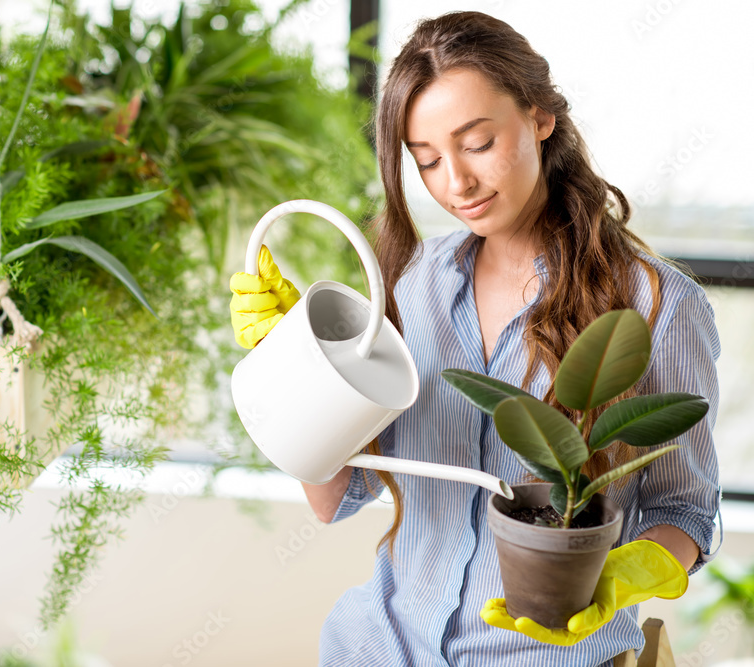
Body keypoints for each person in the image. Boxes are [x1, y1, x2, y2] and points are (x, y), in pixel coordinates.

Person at [228, 10, 722, 667]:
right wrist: (294, 366)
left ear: (540, 117)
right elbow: (336, 497)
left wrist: (622, 575)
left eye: (478, 142)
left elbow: (685, 510)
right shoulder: (415, 284)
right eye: (426, 159)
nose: (454, 183)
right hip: (377, 644)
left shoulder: (656, 307)